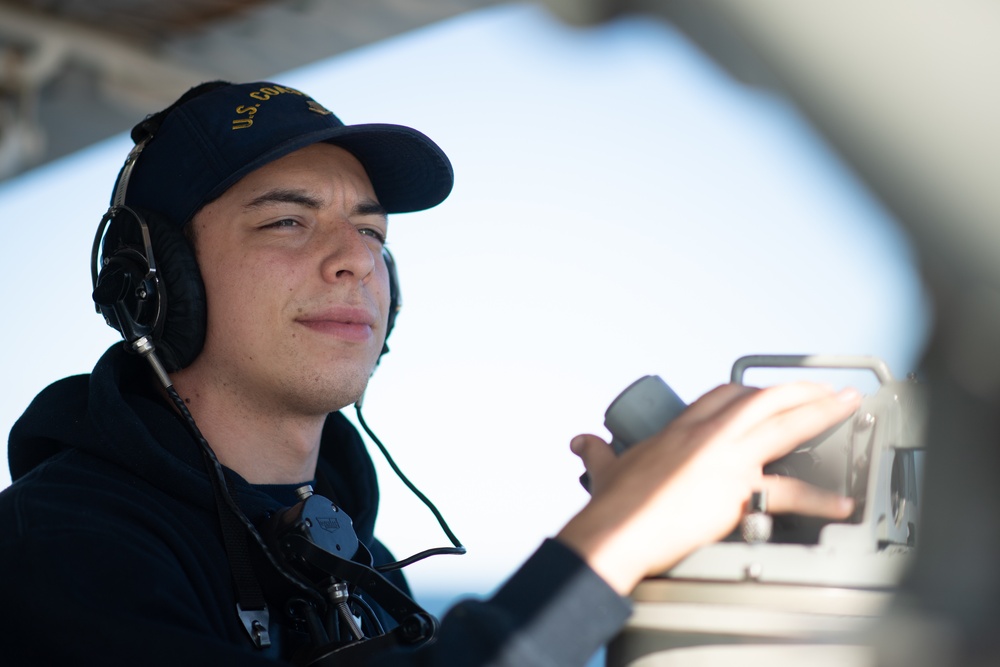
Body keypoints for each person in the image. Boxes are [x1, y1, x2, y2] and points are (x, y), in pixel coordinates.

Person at [0, 80, 859, 666]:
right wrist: (610, 548)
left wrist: (664, 587)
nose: (353, 262)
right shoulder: (55, 550)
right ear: (153, 285)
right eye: (288, 223)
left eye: (372, 232)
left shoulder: (353, 563)